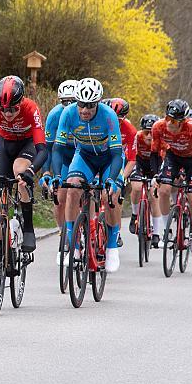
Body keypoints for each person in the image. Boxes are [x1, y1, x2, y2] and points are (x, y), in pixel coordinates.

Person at [0, 76, 47, 291]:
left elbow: (43, 150)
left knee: (20, 173)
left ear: (20, 102)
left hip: (28, 145)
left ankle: (28, 227)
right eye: (3, 110)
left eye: (12, 109)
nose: (8, 114)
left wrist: (32, 171)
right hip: (5, 146)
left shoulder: (31, 108)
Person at [51, 78, 124, 272]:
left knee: (111, 195)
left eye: (90, 106)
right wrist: (57, 175)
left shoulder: (109, 116)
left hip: (109, 158)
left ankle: (111, 248)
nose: (85, 110)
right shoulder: (68, 113)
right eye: (81, 104)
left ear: (98, 103)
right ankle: (73, 247)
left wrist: (111, 179)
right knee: (72, 189)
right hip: (84, 156)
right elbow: (57, 149)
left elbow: (117, 153)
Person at [150, 99, 192, 254]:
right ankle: (167, 231)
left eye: (175, 121)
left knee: (191, 196)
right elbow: (155, 153)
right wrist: (156, 174)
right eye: (168, 118)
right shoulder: (158, 127)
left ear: (183, 121)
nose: (171, 123)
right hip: (173, 157)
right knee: (163, 190)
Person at [41, 79, 78, 264]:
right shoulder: (55, 115)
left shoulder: (85, 114)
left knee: (85, 191)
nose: (69, 106)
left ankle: (90, 228)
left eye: (73, 101)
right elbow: (48, 148)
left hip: (84, 155)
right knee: (60, 197)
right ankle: (64, 235)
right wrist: (46, 173)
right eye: (65, 102)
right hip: (62, 156)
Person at [105, 98, 136, 248]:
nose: (114, 122)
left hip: (120, 163)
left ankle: (115, 233)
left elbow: (132, 159)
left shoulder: (129, 130)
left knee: (115, 196)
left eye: (118, 119)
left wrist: (123, 177)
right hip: (101, 160)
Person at [128, 114, 163, 248]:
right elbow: (130, 155)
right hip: (140, 163)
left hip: (156, 165)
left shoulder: (161, 140)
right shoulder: (136, 137)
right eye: (146, 132)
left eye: (152, 133)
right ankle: (134, 214)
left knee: (154, 196)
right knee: (136, 187)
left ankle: (156, 233)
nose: (149, 136)